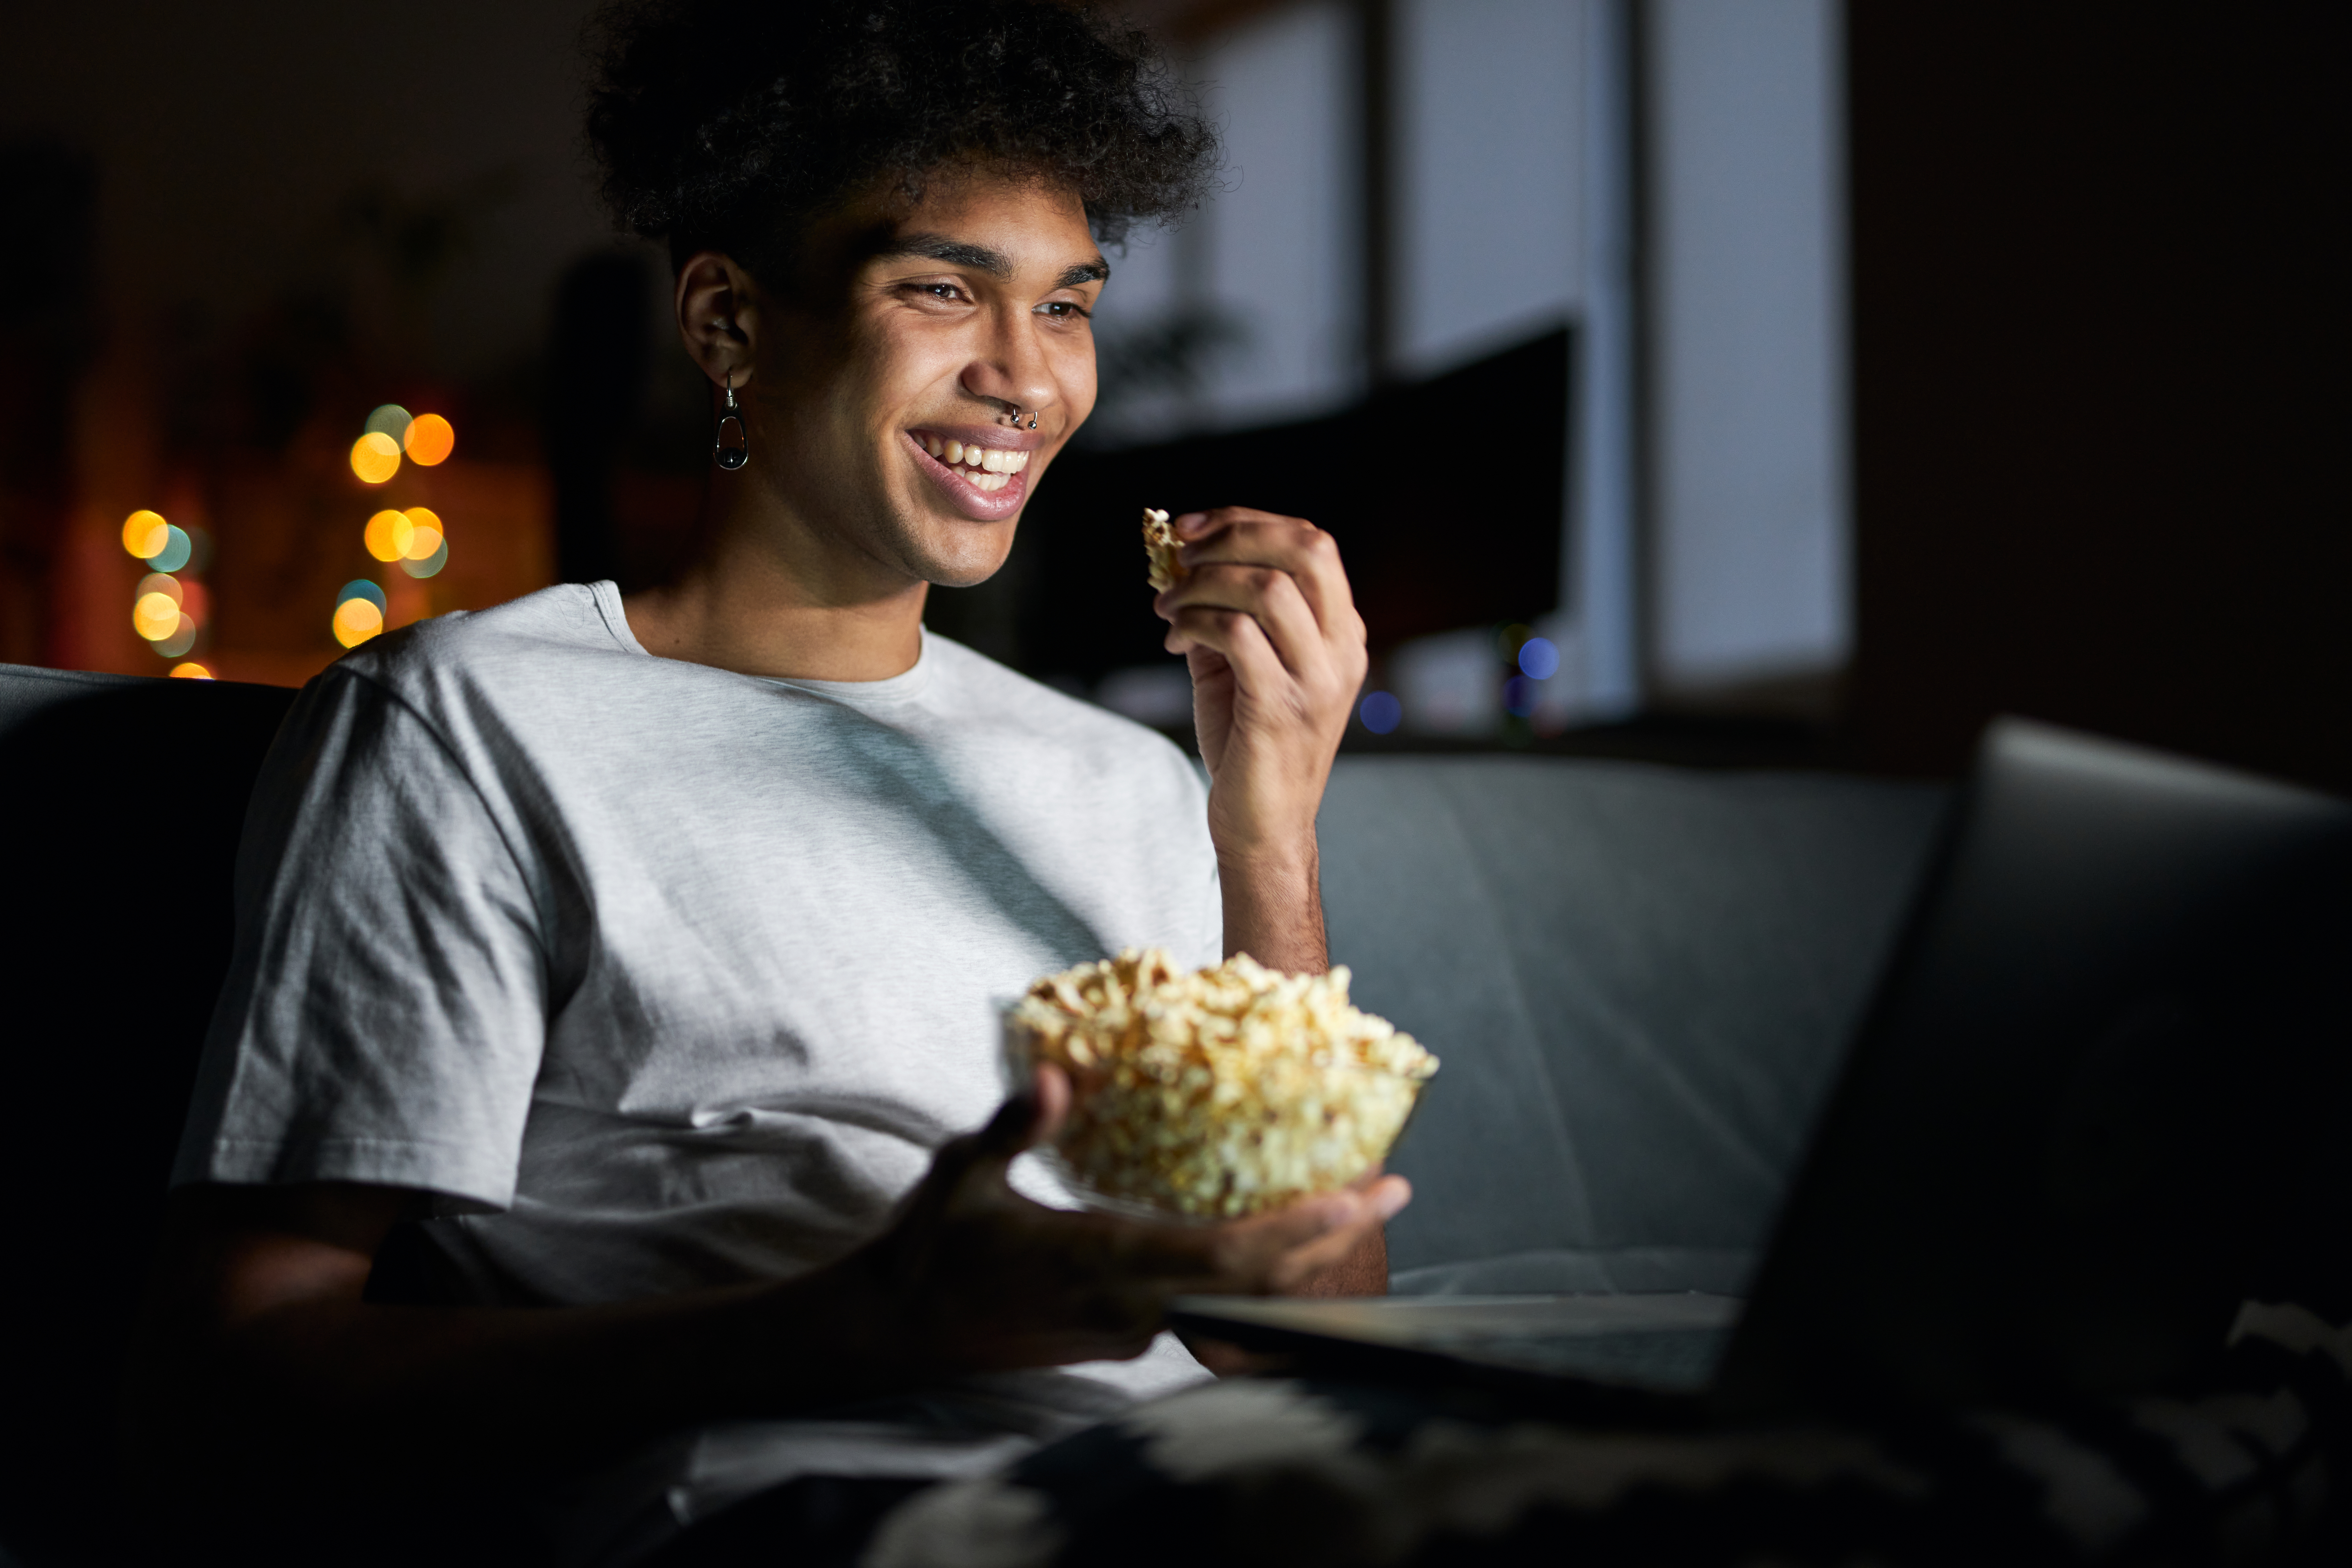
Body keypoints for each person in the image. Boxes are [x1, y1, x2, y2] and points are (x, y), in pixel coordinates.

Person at [128, 2, 1405, 1563]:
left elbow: (1291, 1333)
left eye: (1068, 307)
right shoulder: (471, 725)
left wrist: (1268, 830)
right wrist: (864, 1325)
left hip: (1208, 1498)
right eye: (944, 289)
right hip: (796, 1514)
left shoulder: (1133, 785)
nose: (1027, 379)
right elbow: (259, 1344)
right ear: (731, 322)